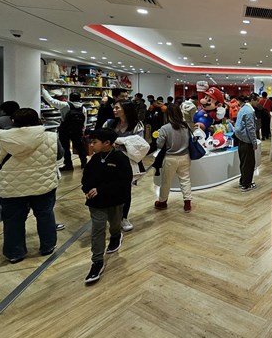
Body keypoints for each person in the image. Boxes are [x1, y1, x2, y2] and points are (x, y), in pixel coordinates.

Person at [0, 108, 60, 263]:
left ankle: (15, 253)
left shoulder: (2, 138)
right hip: (43, 183)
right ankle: (48, 246)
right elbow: (59, 155)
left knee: (13, 220)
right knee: (45, 215)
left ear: (13, 121)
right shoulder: (51, 136)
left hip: (11, 186)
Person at [81, 128, 132, 284]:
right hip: (96, 203)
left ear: (107, 143)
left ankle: (116, 236)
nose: (92, 145)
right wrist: (87, 189)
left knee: (115, 223)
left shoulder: (120, 158)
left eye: (95, 142)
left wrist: (101, 189)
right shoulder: (95, 159)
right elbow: (86, 178)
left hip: (115, 200)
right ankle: (97, 261)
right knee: (98, 228)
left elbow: (124, 181)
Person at [104, 101, 147, 231]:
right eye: (114, 107)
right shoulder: (110, 123)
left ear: (126, 109)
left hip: (127, 163)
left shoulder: (137, 125)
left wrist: (117, 142)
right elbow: (103, 139)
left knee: (125, 191)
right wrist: (125, 142)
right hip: (109, 161)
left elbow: (139, 144)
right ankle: (111, 216)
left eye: (117, 108)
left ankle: (123, 217)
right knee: (109, 188)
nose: (114, 110)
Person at [154, 104, 193, 212]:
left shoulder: (165, 128)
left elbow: (159, 145)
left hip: (170, 158)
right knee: (185, 179)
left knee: (166, 182)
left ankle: (162, 202)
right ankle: (187, 203)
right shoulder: (185, 126)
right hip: (185, 156)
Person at [42, 87, 87, 171]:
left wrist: (43, 90)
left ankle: (68, 165)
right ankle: (84, 163)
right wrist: (83, 130)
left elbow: (51, 101)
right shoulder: (83, 108)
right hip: (77, 130)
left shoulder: (65, 105)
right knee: (79, 146)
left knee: (65, 147)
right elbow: (84, 121)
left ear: (70, 98)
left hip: (65, 129)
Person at [234, 93, 260, 192]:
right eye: (257, 100)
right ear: (252, 100)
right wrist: (254, 142)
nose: (258, 103)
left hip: (241, 139)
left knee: (244, 162)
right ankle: (246, 184)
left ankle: (243, 181)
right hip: (247, 141)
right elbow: (251, 128)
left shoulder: (243, 108)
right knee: (249, 163)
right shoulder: (249, 111)